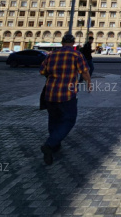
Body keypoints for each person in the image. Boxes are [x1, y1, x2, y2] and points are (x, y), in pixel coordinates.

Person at [39, 33, 91, 165]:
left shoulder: (51, 55)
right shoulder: (76, 55)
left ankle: (55, 146)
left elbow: (42, 71)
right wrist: (89, 83)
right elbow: (84, 71)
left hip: (50, 93)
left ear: (62, 43)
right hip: (67, 94)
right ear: (73, 43)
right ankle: (50, 144)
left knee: (53, 119)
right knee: (69, 119)